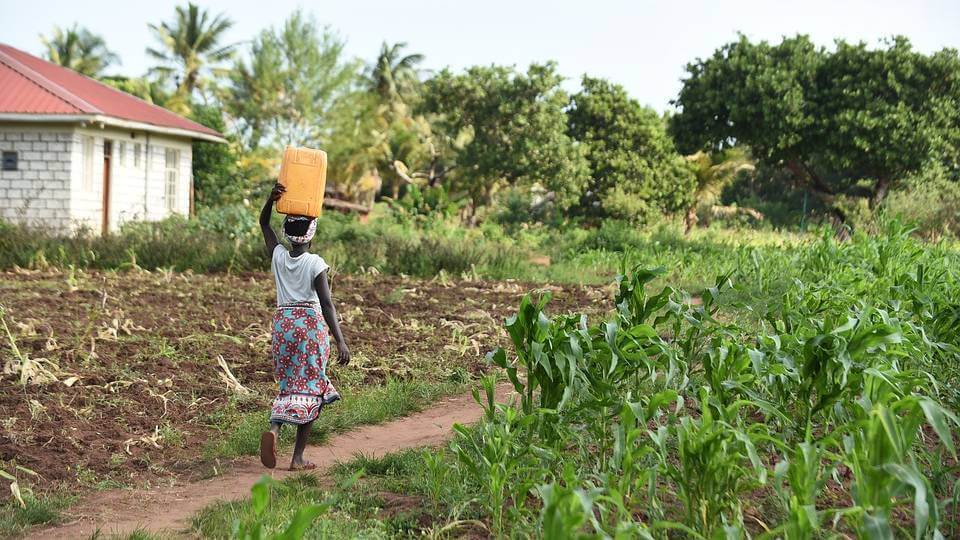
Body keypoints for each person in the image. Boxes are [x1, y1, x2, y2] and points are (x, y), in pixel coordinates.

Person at [258, 182, 350, 471]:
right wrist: (340, 340)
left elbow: (263, 224)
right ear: (312, 233)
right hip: (309, 328)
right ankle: (297, 457)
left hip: (283, 326)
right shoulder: (315, 264)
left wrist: (270, 201)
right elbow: (327, 304)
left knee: (288, 385)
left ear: (288, 232)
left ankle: (274, 430)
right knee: (311, 388)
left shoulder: (278, 256)